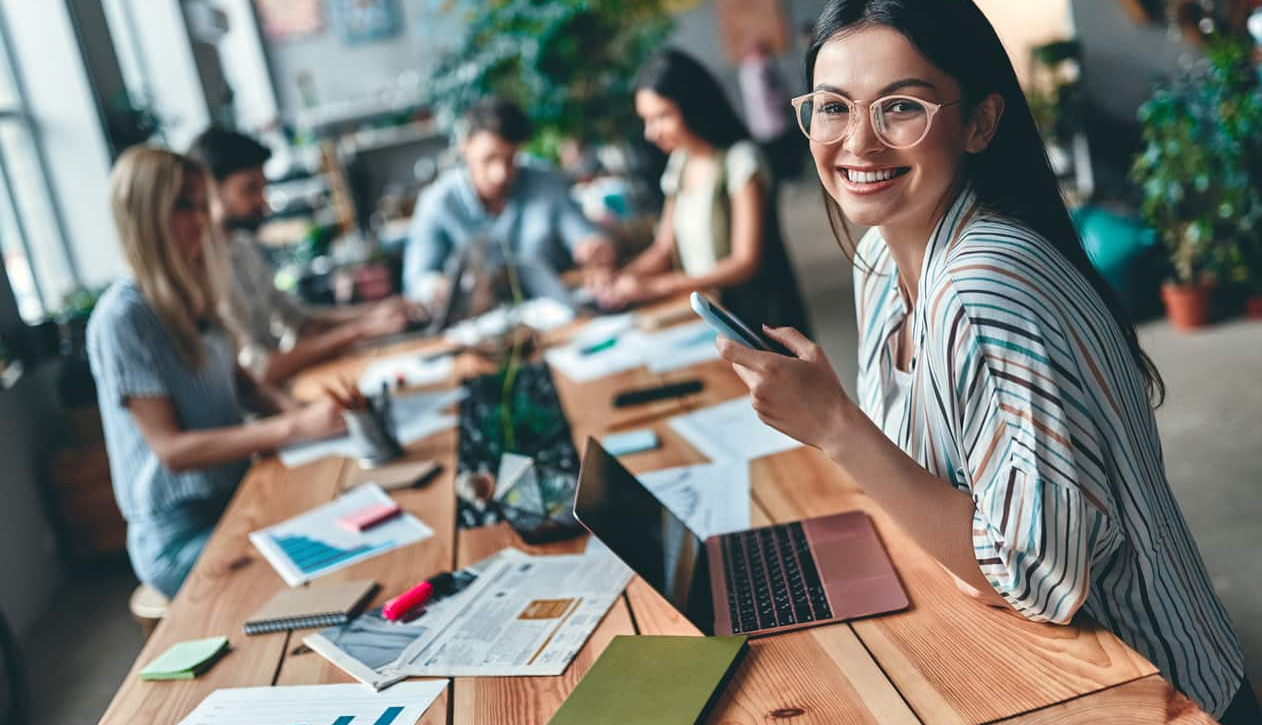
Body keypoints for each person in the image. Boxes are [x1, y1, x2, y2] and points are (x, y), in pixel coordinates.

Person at [715, 1, 1257, 722]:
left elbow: (1029, 578)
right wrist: (962, 548)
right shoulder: (879, 257)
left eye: (900, 106)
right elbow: (952, 519)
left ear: (980, 121)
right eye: (833, 107)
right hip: (1034, 660)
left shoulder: (987, 284)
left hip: (1147, 690)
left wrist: (837, 426)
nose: (859, 143)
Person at [87, 147, 346, 598]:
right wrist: (294, 426)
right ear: (147, 214)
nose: (202, 220)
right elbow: (172, 450)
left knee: (340, 527)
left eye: (200, 204)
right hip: (180, 534)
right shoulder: (122, 317)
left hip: (234, 499)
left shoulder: (194, 288)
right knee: (316, 573)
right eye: (184, 205)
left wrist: (299, 412)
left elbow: (240, 382)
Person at [592, 49, 810, 335]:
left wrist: (657, 286)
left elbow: (745, 262)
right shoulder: (680, 162)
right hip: (710, 316)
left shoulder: (741, 160)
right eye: (646, 119)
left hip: (759, 320)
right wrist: (621, 278)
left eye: (662, 117)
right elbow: (664, 247)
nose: (650, 132)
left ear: (692, 106)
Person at [187, 127, 413, 385]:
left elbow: (297, 319)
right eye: (249, 189)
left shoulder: (243, 246)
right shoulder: (202, 270)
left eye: (263, 188)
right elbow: (259, 370)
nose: (264, 202)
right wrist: (358, 330)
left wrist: (377, 312)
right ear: (209, 190)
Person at [403, 96, 615, 306]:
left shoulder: (544, 182)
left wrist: (593, 248)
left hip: (555, 314)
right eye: (489, 159)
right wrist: (441, 289)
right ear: (464, 145)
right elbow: (417, 281)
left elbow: (582, 235)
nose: (501, 174)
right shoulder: (437, 203)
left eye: (510, 159)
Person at [738, 40, 805, 183]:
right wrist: (786, 98)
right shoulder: (762, 68)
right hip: (775, 123)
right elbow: (768, 96)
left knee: (776, 158)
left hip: (762, 125)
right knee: (783, 157)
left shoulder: (746, 70)